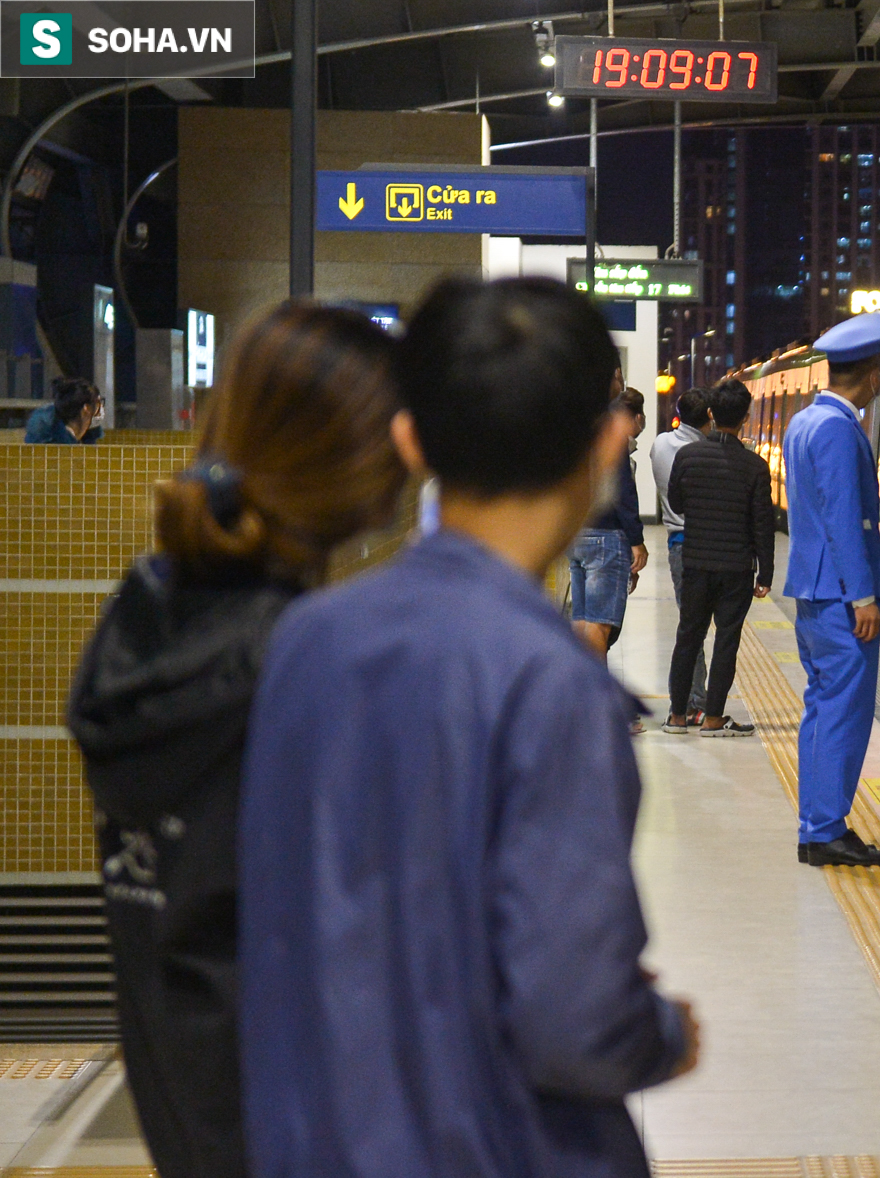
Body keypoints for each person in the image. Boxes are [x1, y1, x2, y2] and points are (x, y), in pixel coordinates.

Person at [238, 277, 698, 1178]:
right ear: (607, 444)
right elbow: (573, 1020)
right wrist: (664, 1034)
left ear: (409, 440)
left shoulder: (303, 643)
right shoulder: (553, 685)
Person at [65, 305, 408, 1178]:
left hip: (191, 1107)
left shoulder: (143, 624)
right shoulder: (311, 667)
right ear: (364, 468)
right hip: (323, 1124)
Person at [784, 312, 880, 869]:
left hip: (815, 590)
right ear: (873, 373)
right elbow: (843, 515)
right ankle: (825, 830)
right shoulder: (836, 428)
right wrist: (862, 596)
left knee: (822, 708)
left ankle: (818, 825)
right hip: (839, 596)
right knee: (842, 712)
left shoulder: (804, 422)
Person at [664, 378, 773, 737]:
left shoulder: (687, 456)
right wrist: (766, 573)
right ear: (745, 417)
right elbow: (762, 524)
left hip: (695, 562)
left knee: (688, 636)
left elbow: (677, 504)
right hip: (736, 569)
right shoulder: (754, 466)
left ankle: (677, 717)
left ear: (710, 412)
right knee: (727, 638)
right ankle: (713, 719)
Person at [569, 386, 648, 666]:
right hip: (606, 536)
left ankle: (578, 697)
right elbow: (623, 492)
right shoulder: (610, 434)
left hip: (578, 533)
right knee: (600, 626)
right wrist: (637, 540)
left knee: (581, 621)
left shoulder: (577, 428)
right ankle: (595, 704)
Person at [648, 387, 710, 722]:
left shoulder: (659, 444)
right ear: (708, 417)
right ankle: (693, 701)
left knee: (689, 624)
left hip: (675, 543)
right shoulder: (702, 450)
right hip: (702, 543)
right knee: (697, 627)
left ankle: (687, 700)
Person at [25, 377, 105, 444]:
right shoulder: (56, 445)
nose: (101, 408)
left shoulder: (81, 439)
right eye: (98, 403)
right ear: (86, 408)